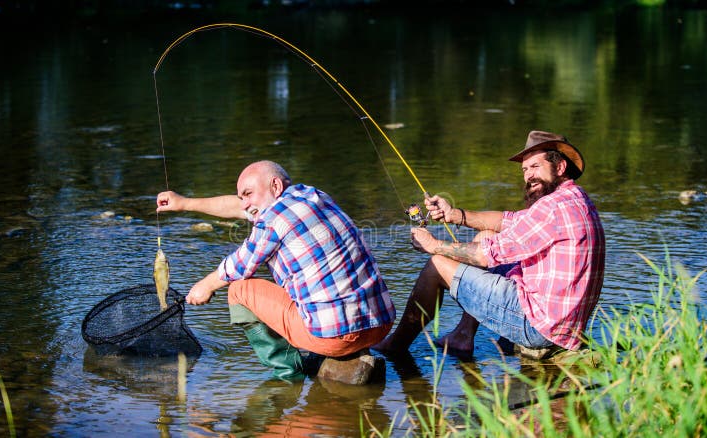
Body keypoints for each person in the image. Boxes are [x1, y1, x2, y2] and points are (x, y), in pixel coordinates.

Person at [373, 131, 605, 358]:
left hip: (540, 328)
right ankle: (463, 335)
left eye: (535, 167)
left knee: (437, 266)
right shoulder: (575, 199)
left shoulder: (552, 207)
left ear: (560, 167)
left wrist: (433, 245)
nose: (528, 176)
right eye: (525, 170)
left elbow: (485, 256)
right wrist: (455, 214)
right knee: (486, 235)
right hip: (564, 324)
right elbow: (508, 220)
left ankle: (395, 345)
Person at [156, 160, 395, 381]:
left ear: (276, 185)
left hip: (336, 336)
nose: (245, 203)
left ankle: (289, 373)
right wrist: (184, 203)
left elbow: (239, 266)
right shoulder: (312, 196)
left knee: (239, 289)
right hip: (380, 326)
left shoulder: (273, 220)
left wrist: (204, 286)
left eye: (248, 194)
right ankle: (344, 357)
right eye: (242, 197)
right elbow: (241, 207)